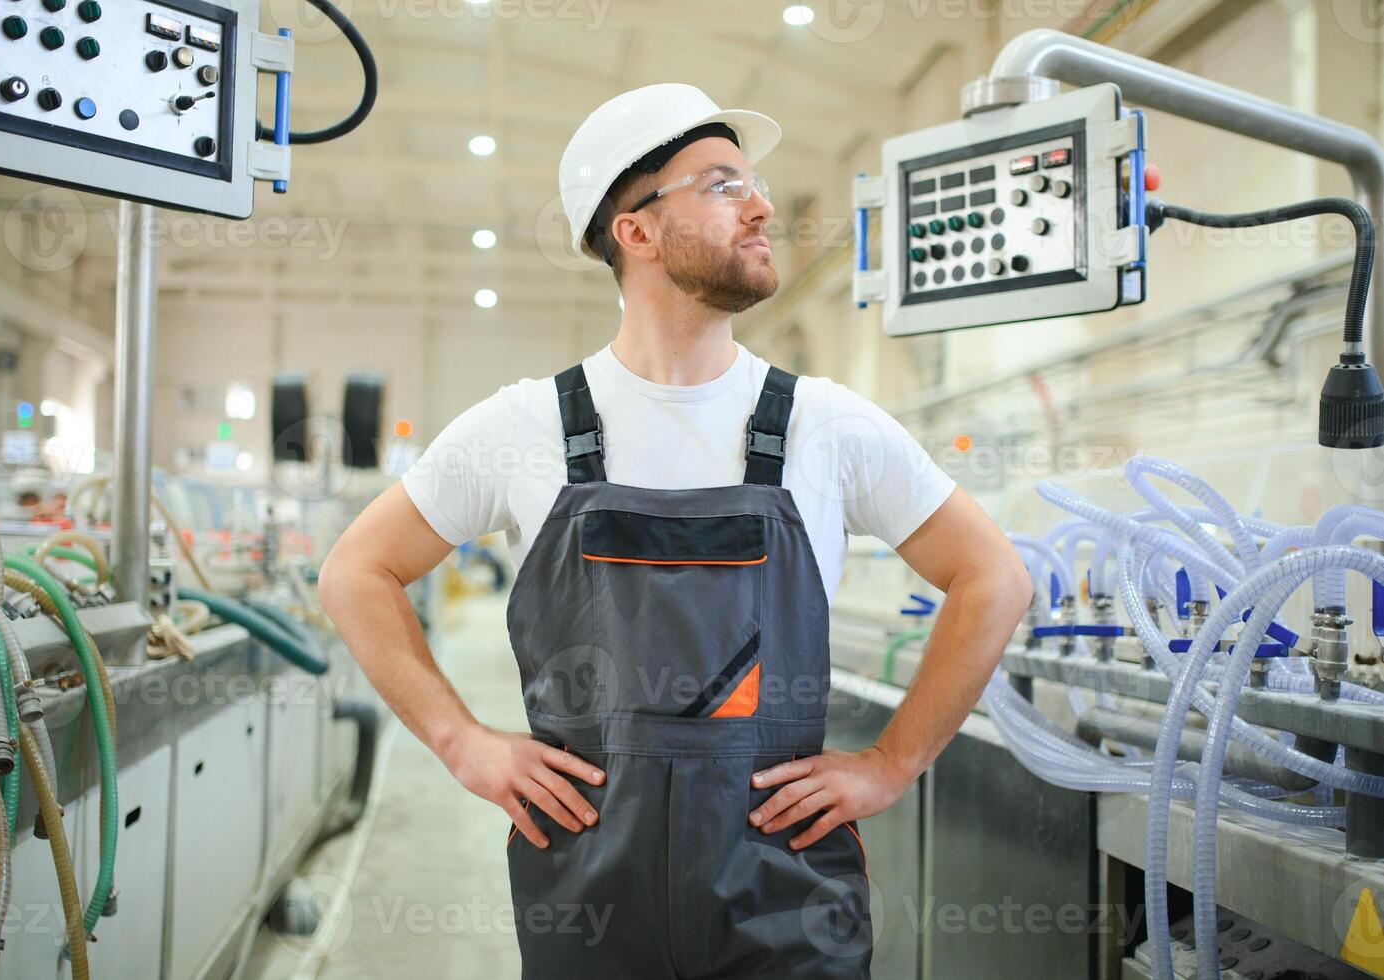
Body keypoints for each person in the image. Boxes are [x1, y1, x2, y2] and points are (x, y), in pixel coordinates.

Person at [319, 83, 1032, 977]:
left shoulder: (826, 424)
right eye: (724, 183)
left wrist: (892, 763)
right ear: (637, 229)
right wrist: (461, 741)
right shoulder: (524, 427)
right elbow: (355, 572)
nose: (763, 205)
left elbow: (993, 579)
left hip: (783, 897)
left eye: (753, 184)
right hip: (587, 890)